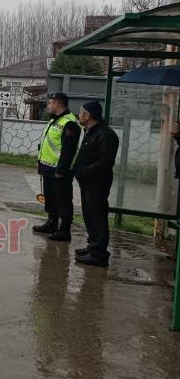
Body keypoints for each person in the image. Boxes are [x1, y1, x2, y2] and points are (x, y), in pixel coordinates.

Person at [73, 100, 120, 267]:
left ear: (88, 115)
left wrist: (84, 171)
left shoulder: (105, 134)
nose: (79, 115)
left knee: (97, 217)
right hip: (87, 182)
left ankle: (99, 254)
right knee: (89, 215)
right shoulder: (90, 131)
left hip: (97, 183)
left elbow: (105, 162)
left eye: (81, 112)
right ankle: (92, 246)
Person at [35, 92, 81, 241]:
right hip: (48, 168)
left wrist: (61, 169)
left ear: (57, 104)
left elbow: (68, 150)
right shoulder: (54, 121)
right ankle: (51, 223)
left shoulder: (69, 123)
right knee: (50, 198)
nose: (48, 106)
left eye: (50, 103)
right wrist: (40, 162)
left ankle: (64, 230)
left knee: (63, 200)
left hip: (60, 171)